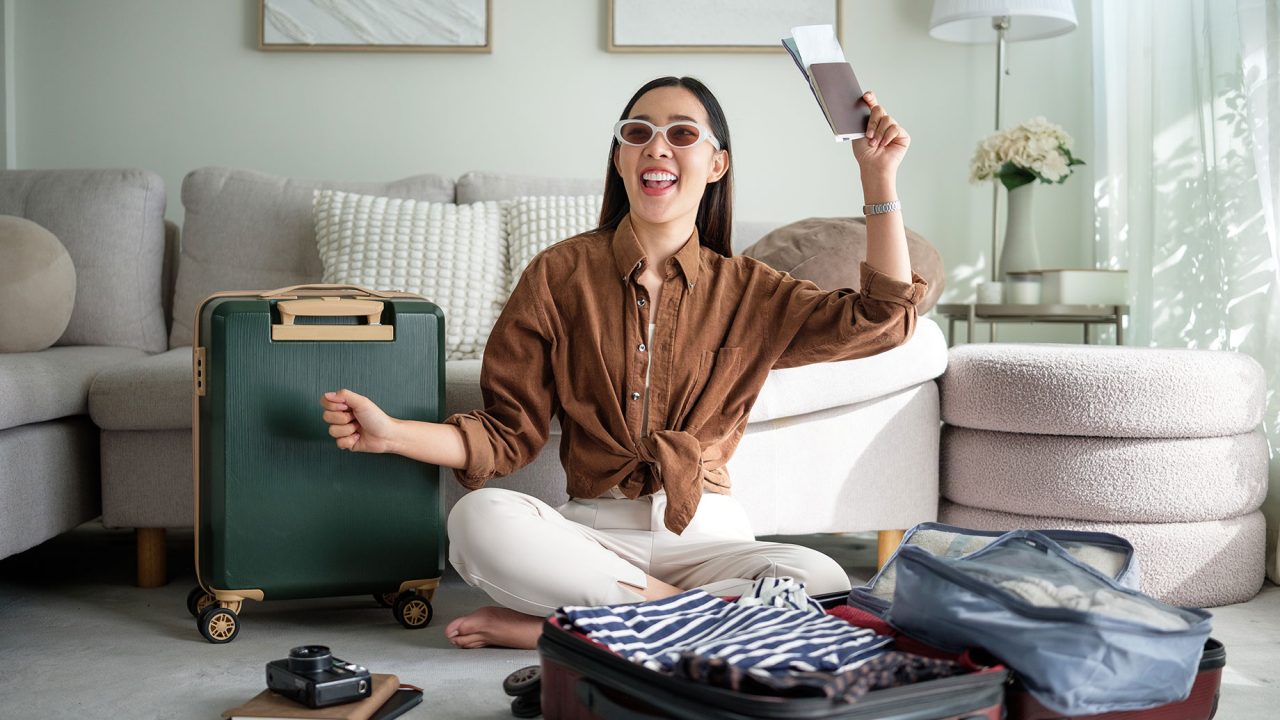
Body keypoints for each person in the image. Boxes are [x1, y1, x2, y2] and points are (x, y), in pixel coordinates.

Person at [319, 76, 925, 650]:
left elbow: (884, 319)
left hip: (709, 538)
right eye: (638, 132)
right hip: (594, 535)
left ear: (717, 164)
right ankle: (681, 621)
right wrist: (392, 434)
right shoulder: (559, 274)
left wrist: (878, 178)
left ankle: (569, 630)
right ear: (620, 158)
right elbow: (508, 434)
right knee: (479, 520)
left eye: (682, 134)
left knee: (821, 578)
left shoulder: (752, 291)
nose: (657, 146)